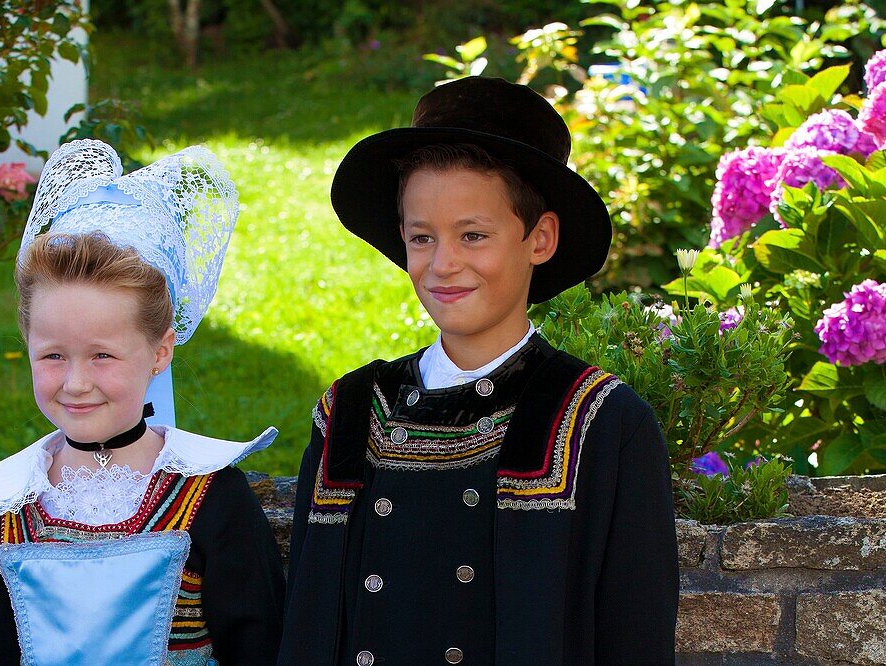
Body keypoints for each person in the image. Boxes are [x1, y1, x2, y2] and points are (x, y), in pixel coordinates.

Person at [278, 77, 678, 665]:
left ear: (539, 238)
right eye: (421, 238)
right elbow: (308, 625)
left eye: (473, 235)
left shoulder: (601, 421)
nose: (444, 264)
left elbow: (635, 638)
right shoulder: (349, 413)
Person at [0, 139, 285, 666]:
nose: (76, 383)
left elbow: (259, 648)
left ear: (159, 351)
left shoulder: (211, 497)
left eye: (102, 355)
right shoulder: (8, 508)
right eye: (53, 355)